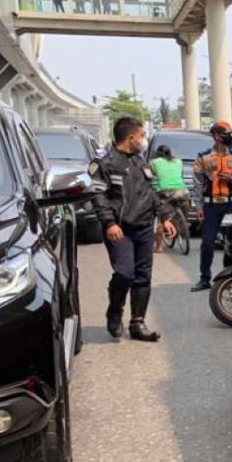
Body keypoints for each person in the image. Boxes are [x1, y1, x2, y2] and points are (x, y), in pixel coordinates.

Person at [89, 117, 176, 341]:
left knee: (143, 276)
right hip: (120, 229)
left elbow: (153, 193)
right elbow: (98, 196)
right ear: (130, 138)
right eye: (142, 136)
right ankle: (115, 312)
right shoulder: (105, 164)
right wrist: (109, 223)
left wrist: (165, 217)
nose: (144, 140)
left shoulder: (140, 162)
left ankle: (138, 323)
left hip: (145, 227)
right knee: (124, 273)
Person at [191, 121, 232, 291]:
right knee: (207, 243)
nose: (230, 137)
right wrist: (198, 207)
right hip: (211, 207)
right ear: (216, 136)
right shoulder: (203, 157)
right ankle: (204, 278)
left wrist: (231, 179)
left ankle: (230, 277)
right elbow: (197, 184)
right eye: (226, 134)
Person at [150, 145, 188, 253]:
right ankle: (183, 225)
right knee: (182, 204)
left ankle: (158, 247)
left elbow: (151, 175)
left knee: (160, 216)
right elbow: (180, 175)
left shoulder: (154, 162)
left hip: (164, 192)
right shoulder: (179, 161)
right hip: (181, 191)